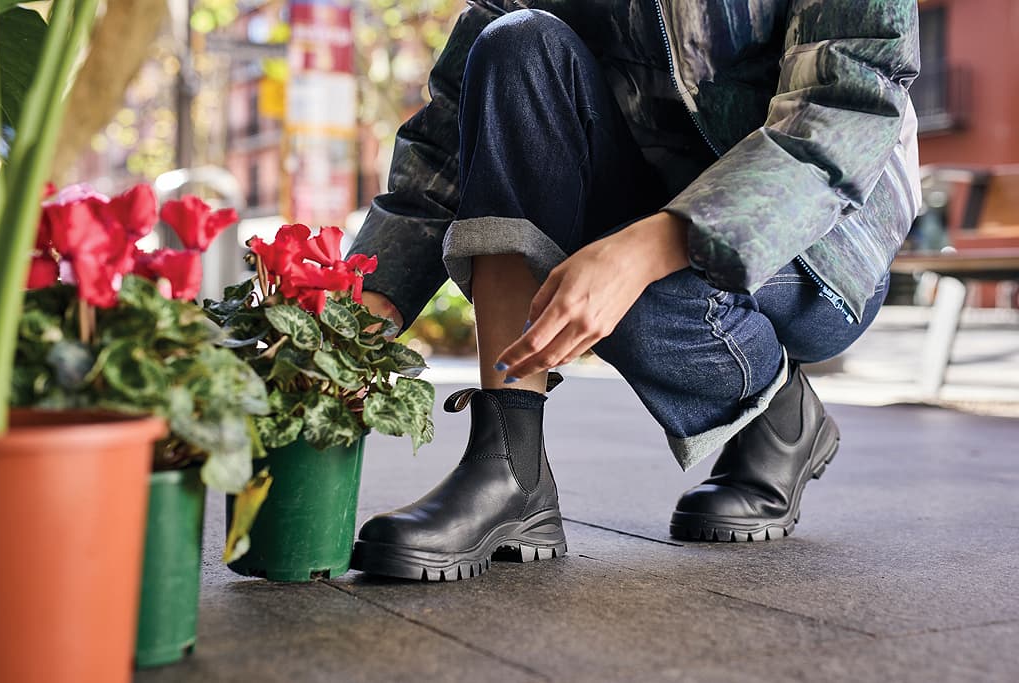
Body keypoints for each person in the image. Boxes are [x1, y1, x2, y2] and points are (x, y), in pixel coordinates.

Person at [346, 0, 921, 581]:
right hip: (645, 196)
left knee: (638, 304)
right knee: (511, 43)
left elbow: (849, 99)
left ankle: (783, 412)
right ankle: (509, 468)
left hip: (824, 233)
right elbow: (450, 142)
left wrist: (648, 249)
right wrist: (359, 315)